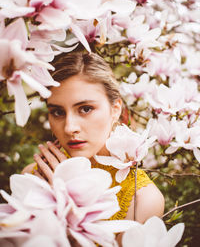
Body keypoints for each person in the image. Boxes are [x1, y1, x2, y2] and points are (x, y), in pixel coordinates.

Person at [22, 50, 164, 226]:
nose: (69, 127)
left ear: (115, 109)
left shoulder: (142, 200)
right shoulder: (34, 176)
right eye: (58, 112)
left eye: (86, 109)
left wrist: (66, 205)